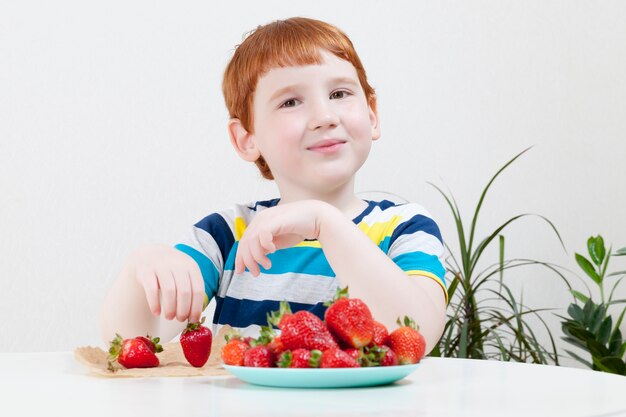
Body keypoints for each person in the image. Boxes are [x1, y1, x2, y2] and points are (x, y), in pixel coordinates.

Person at [100, 17, 447, 353]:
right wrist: (143, 265)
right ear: (246, 139)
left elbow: (415, 335)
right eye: (290, 102)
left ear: (371, 114)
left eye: (340, 93)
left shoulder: (406, 227)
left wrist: (322, 222)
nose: (325, 117)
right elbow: (134, 341)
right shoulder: (226, 234)